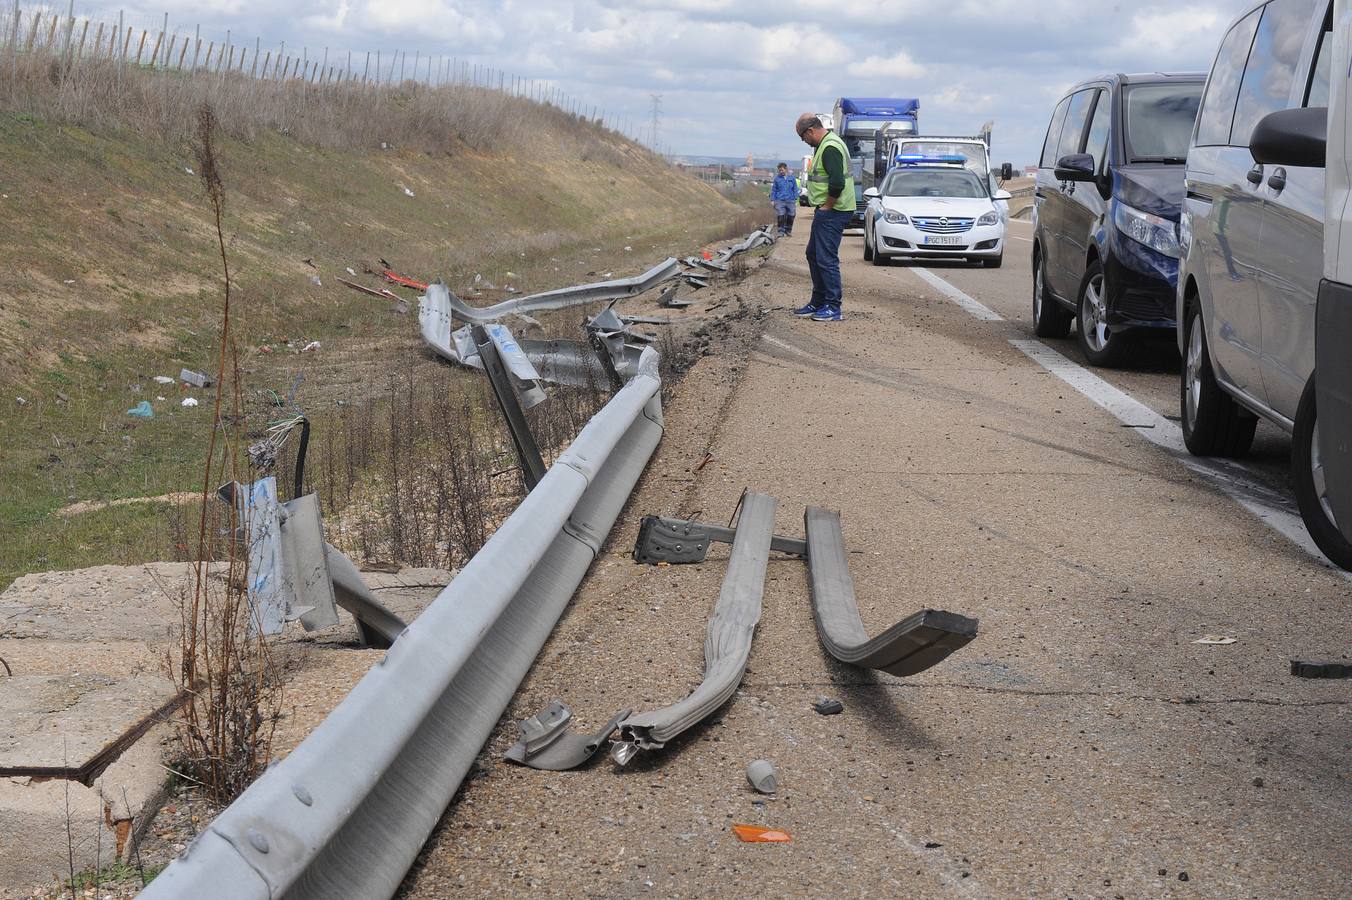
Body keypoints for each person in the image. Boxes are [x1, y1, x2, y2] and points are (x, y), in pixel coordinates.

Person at [794, 113, 855, 322]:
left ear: (810, 131)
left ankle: (832, 306)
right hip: (827, 211)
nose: (804, 141)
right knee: (813, 254)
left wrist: (827, 206)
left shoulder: (829, 147)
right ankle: (818, 301)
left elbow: (837, 182)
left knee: (826, 259)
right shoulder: (824, 145)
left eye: (803, 137)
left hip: (833, 211)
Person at [769, 163, 798, 237]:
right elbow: (774, 190)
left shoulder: (792, 178)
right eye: (779, 171)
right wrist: (772, 200)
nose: (780, 172)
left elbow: (795, 188)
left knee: (791, 215)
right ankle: (781, 231)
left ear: (786, 169)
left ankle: (788, 230)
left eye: (782, 170)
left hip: (790, 200)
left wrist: (795, 197)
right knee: (780, 215)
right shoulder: (777, 179)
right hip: (780, 200)